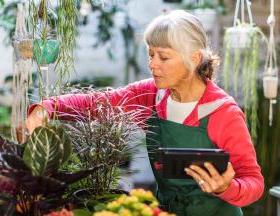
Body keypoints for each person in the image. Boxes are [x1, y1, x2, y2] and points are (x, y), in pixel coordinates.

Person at [25, 10, 264, 216]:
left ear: (194, 58)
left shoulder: (223, 112)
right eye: (151, 54)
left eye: (164, 57)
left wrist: (226, 187)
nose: (152, 64)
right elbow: (98, 102)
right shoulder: (152, 95)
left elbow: (254, 181)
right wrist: (47, 108)